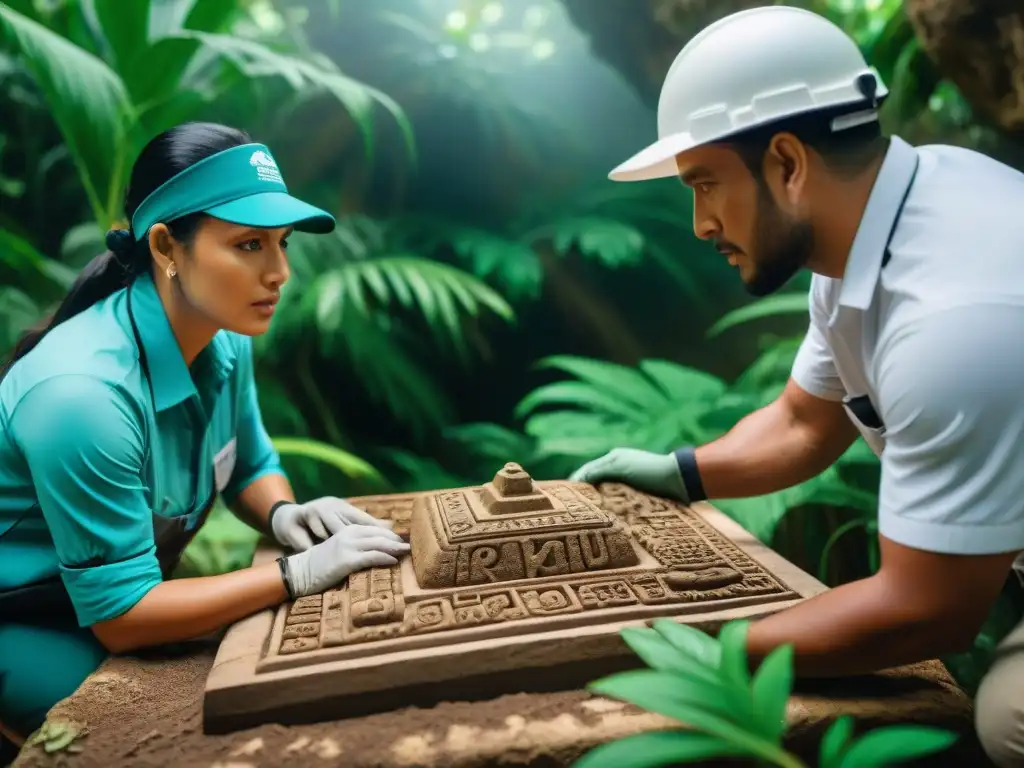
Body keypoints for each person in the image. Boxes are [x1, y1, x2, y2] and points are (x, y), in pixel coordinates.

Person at [569, 6, 1024, 766]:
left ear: (786, 163)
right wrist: (682, 473)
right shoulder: (880, 222)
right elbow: (803, 423)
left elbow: (925, 612)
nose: (699, 223)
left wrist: (701, 650)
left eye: (706, 184)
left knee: (1008, 717)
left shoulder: (953, 318)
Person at [0, 122, 410, 746]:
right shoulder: (82, 396)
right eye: (249, 246)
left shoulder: (223, 337)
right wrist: (293, 576)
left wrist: (283, 515)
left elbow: (247, 461)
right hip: (27, 622)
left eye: (283, 244)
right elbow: (122, 615)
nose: (279, 273)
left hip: (118, 601)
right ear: (166, 246)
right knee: (178, 729)